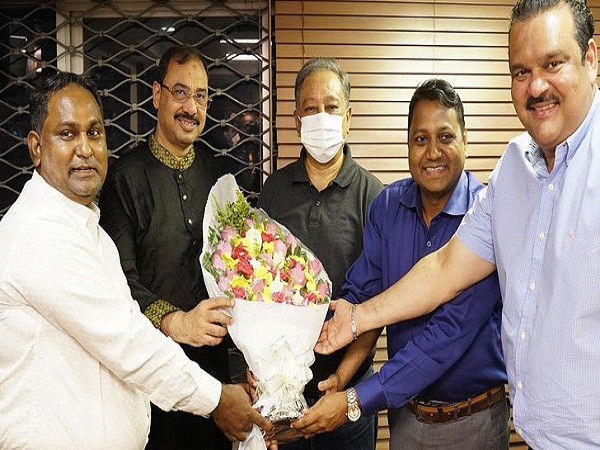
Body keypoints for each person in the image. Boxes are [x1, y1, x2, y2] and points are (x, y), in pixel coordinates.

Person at [315, 1, 600, 448]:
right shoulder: (514, 171)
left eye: (553, 64)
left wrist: (355, 399)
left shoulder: (484, 194)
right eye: (521, 71)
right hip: (533, 434)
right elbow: (446, 268)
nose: (536, 86)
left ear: (591, 58)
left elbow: (447, 334)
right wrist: (354, 319)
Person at [0, 71, 273, 449]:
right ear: (36, 147)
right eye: (67, 134)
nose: (85, 148)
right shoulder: (40, 231)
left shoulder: (90, 231)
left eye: (94, 132)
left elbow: (129, 326)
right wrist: (217, 399)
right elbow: (126, 341)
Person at [292, 79, 509, 449]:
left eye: (445, 137)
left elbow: (445, 336)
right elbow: (361, 300)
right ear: (408, 145)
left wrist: (353, 401)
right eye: (420, 139)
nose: (433, 152)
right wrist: (334, 374)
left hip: (473, 422)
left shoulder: (486, 217)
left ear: (465, 139)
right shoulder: (387, 206)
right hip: (405, 420)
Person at [98, 45, 233, 449]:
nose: (191, 107)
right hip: (150, 374)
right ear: (157, 95)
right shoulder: (124, 179)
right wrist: (176, 322)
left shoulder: (219, 176)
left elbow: (239, 270)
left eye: (201, 96)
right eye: (180, 92)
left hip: (214, 375)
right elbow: (119, 281)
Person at [257, 57, 383, 449]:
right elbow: (255, 292)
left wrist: (342, 379)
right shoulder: (274, 192)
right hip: (283, 396)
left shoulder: (373, 196)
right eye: (310, 109)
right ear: (296, 120)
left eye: (331, 107)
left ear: (348, 118)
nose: (321, 117)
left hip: (349, 395)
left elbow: (378, 303)